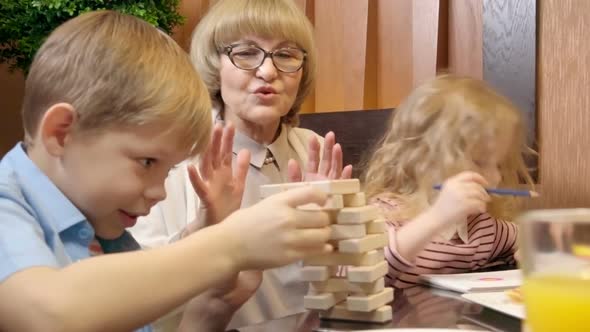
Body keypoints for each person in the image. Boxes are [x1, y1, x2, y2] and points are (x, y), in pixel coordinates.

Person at [0, 11, 334, 332]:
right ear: (61, 133)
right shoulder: (7, 207)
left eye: (168, 169)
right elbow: (47, 314)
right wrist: (230, 244)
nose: (160, 191)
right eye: (147, 163)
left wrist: (213, 305)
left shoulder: (109, 233)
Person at [130, 0, 352, 329]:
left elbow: (347, 282)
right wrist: (206, 230)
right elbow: (136, 289)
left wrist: (335, 241)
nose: (267, 71)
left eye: (286, 54)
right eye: (246, 52)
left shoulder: (315, 149)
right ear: (214, 65)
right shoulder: (174, 156)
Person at [362, 75, 534, 289]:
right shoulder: (385, 214)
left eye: (499, 165)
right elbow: (369, 272)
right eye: (480, 162)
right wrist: (437, 217)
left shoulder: (482, 228)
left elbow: (523, 237)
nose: (496, 177)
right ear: (424, 158)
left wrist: (531, 248)